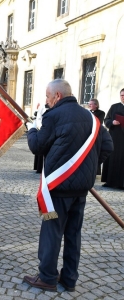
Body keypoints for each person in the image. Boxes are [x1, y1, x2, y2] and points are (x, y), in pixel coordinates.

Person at [24, 79, 113, 292]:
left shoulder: (52, 116)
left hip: (56, 191)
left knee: (51, 231)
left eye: (47, 96)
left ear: (57, 96)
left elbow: (37, 146)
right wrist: (87, 168)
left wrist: (31, 129)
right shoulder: (92, 118)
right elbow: (108, 146)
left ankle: (47, 277)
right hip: (80, 191)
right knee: (73, 234)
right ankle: (70, 279)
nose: (46, 101)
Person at [101, 88, 124, 189]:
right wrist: (112, 123)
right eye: (122, 95)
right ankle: (110, 182)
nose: (123, 97)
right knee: (113, 159)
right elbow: (106, 120)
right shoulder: (114, 107)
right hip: (114, 136)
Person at [89, 98, 105, 175]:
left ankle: (96, 171)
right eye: (89, 104)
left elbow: (99, 121)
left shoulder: (101, 113)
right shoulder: (88, 112)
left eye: (91, 104)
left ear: (96, 105)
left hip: (96, 134)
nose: (89, 105)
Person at [33, 103, 49, 173]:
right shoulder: (42, 107)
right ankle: (39, 167)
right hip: (42, 128)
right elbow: (38, 118)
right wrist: (40, 127)